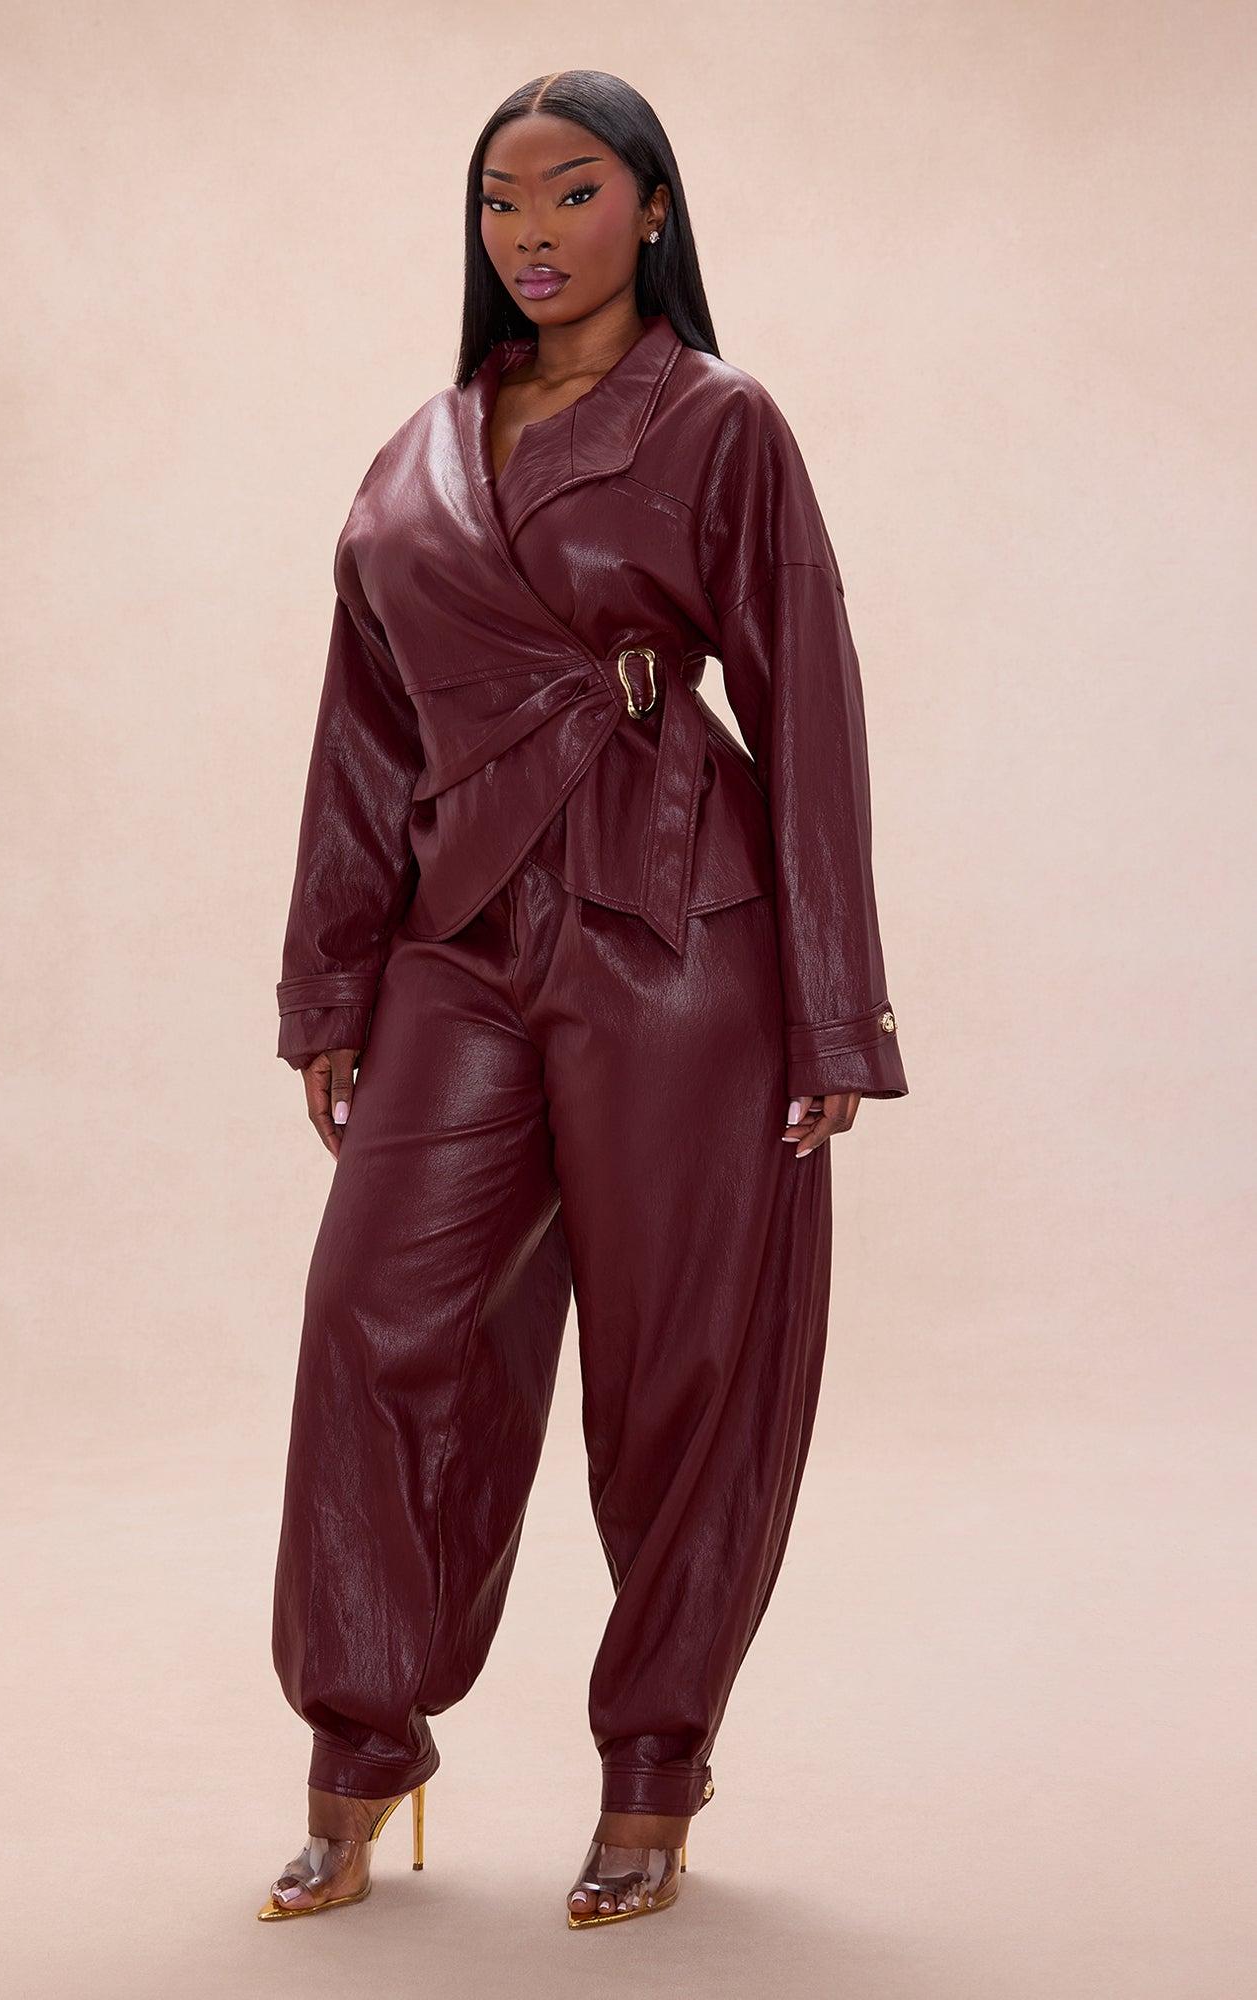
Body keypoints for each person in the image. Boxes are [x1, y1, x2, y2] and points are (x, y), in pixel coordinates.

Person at [259, 68, 909, 1932]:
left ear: (651, 208)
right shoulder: (420, 451)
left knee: (677, 1366)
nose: (530, 232)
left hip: (677, 919)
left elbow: (806, 702)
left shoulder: (718, 419)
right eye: (500, 200)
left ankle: (651, 1771)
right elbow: (362, 735)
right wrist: (331, 978)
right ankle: (360, 1742)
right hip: (456, 935)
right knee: (372, 1319)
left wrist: (833, 1009)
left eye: (570, 192)